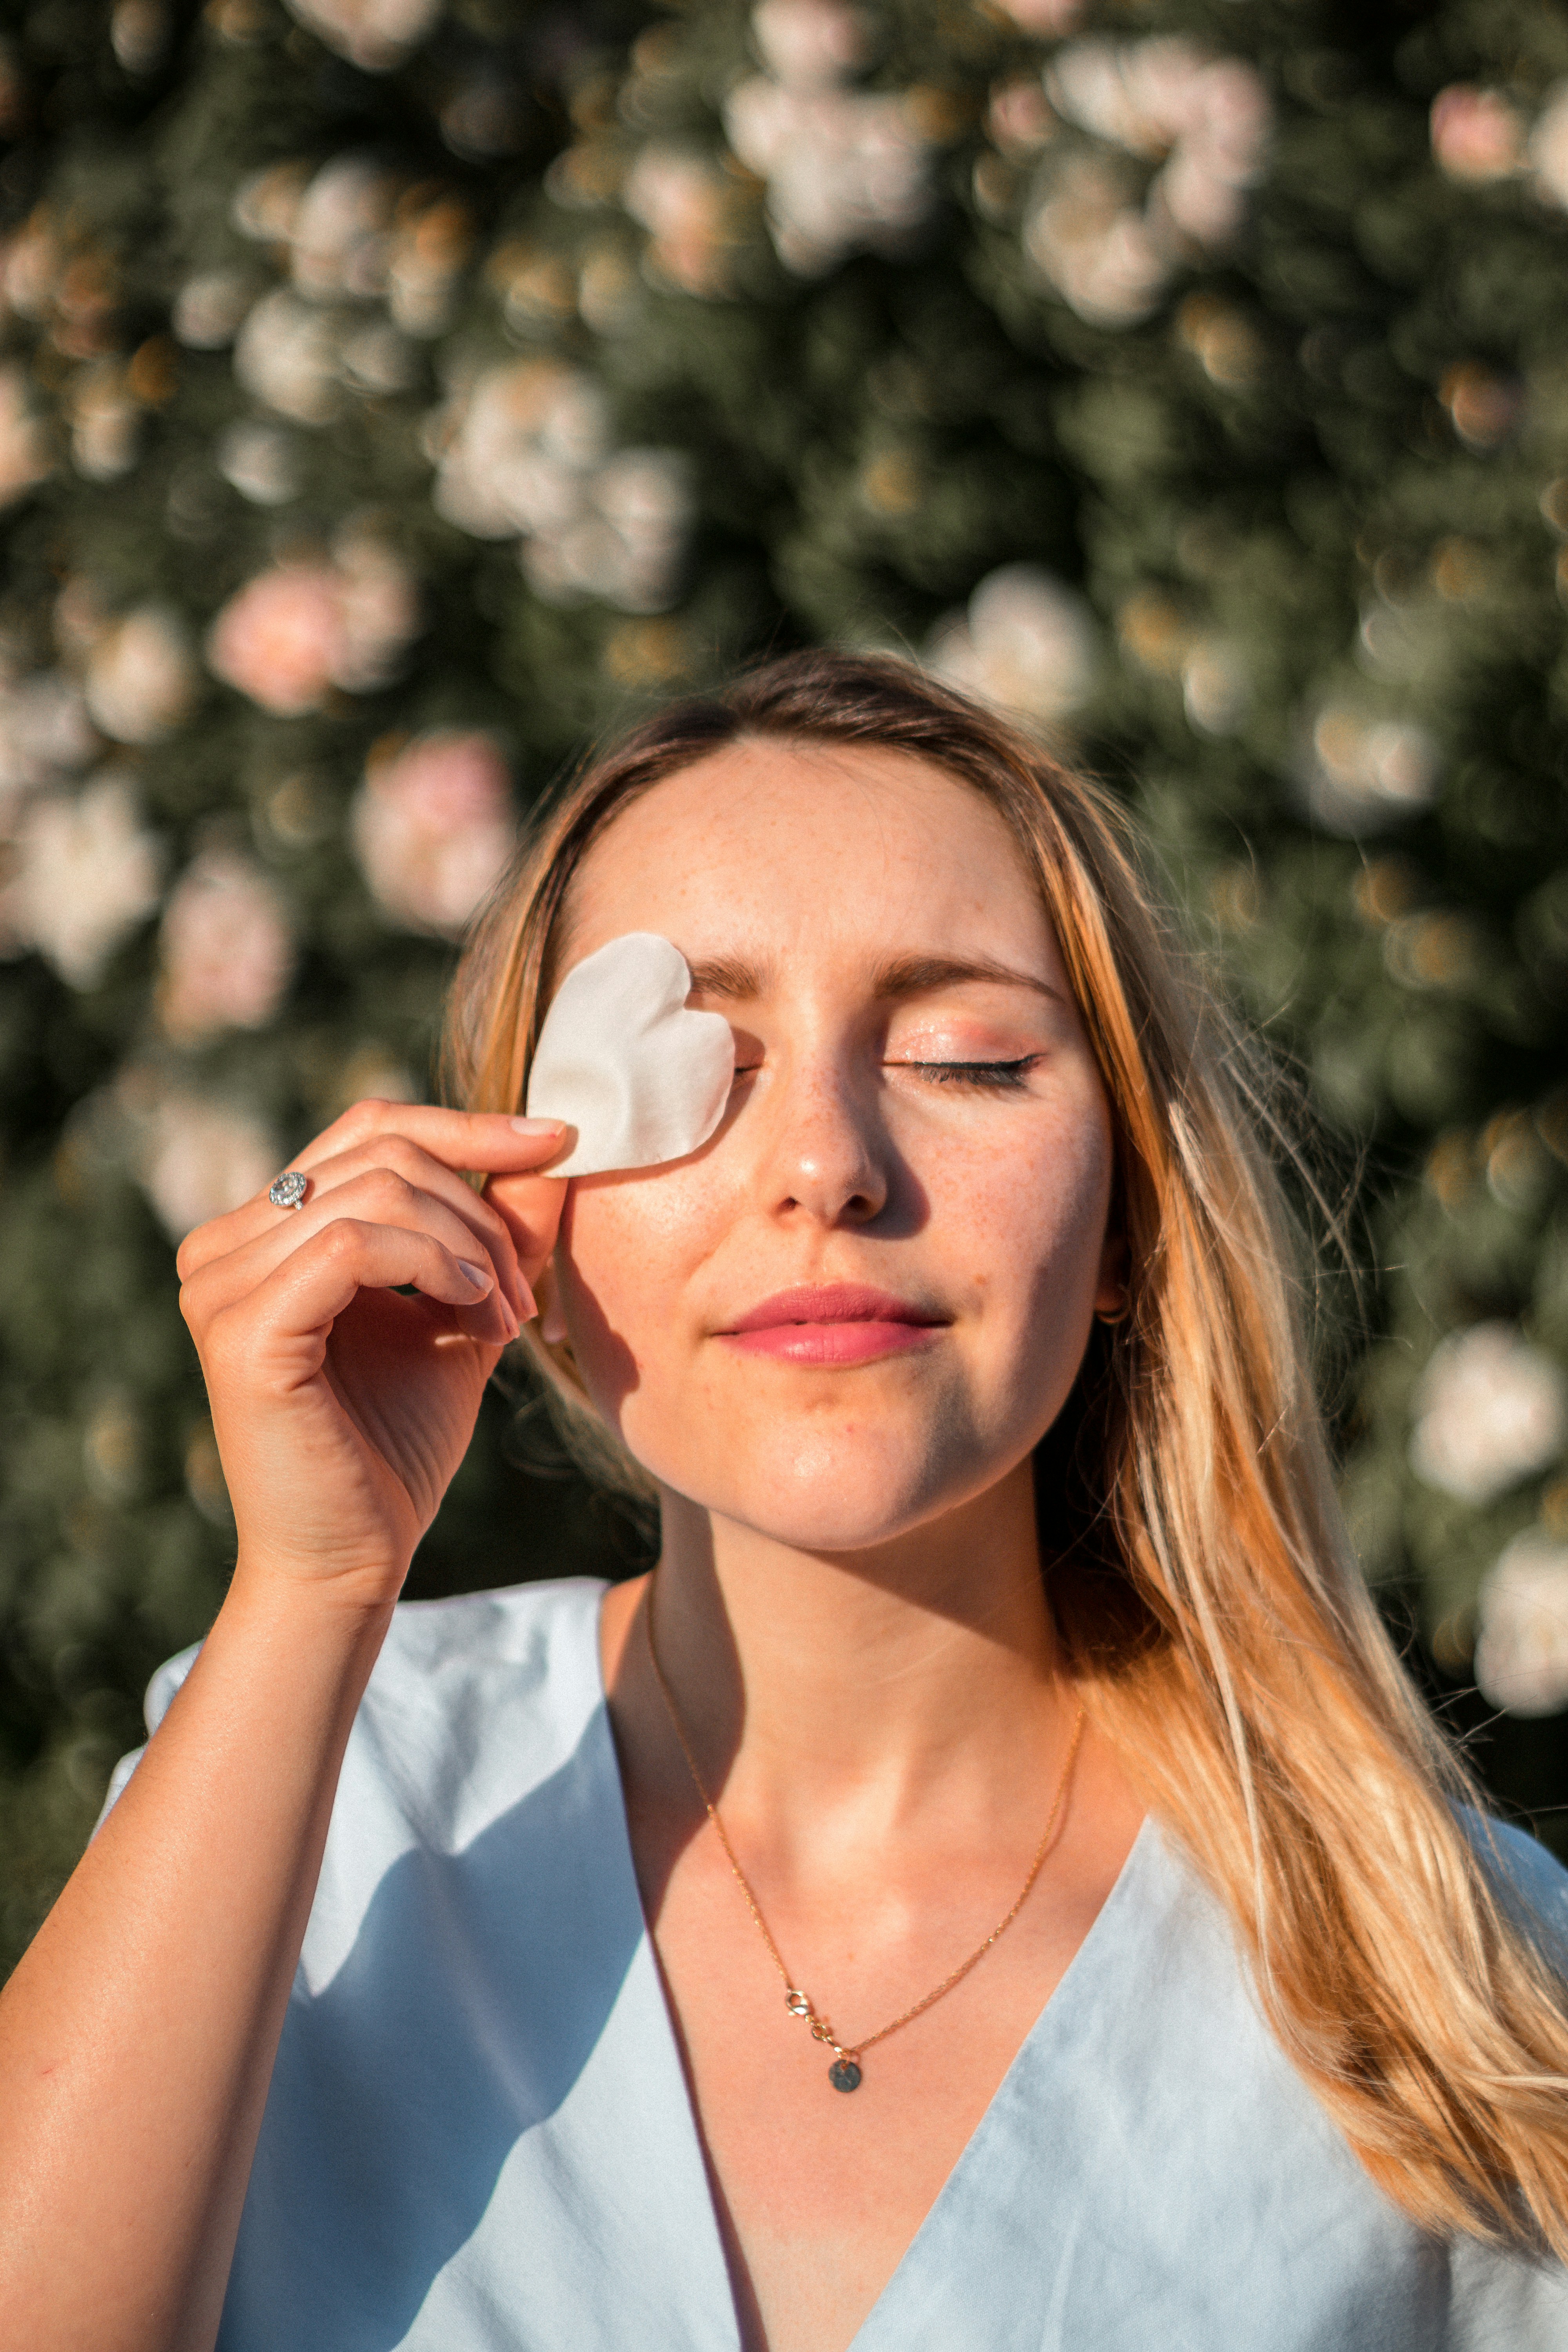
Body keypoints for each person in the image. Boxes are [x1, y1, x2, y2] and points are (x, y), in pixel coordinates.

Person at [1, 650, 1566, 2352]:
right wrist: (308, 1586)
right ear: (526, 1200)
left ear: (1126, 1220)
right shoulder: (317, 1788)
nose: (824, 1161)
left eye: (966, 1057)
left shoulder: (1454, 1988)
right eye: (696, 1061)